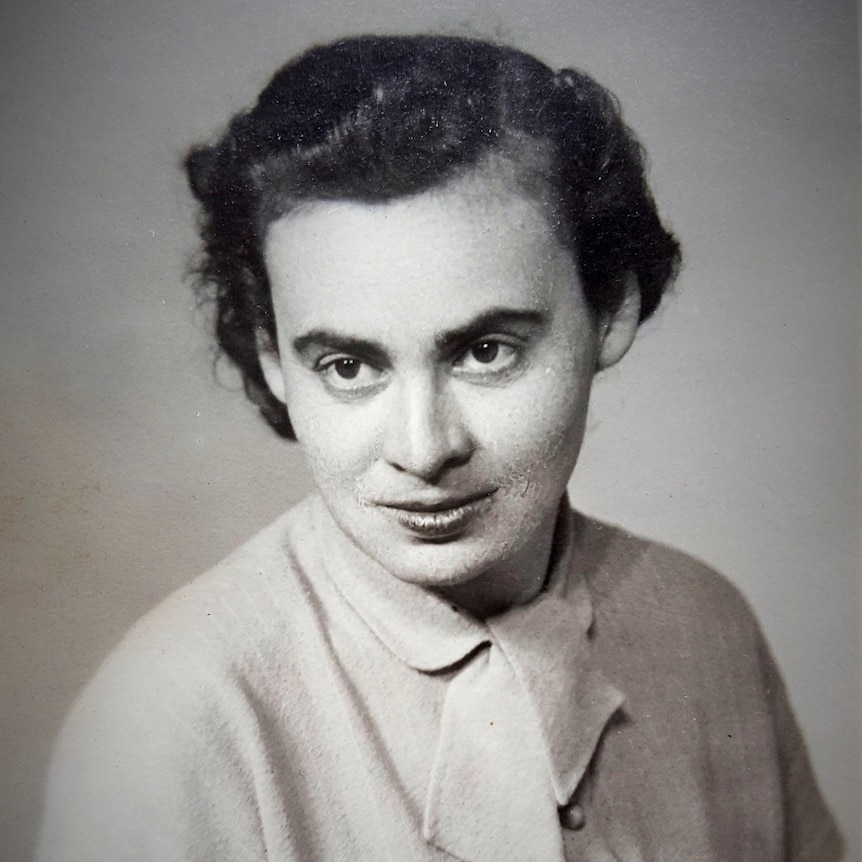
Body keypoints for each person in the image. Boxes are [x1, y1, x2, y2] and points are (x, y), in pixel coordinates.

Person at [37, 34, 842, 861]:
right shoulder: (169, 721)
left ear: (611, 310)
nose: (423, 451)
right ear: (275, 358)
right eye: (348, 366)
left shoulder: (705, 626)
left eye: (485, 351)